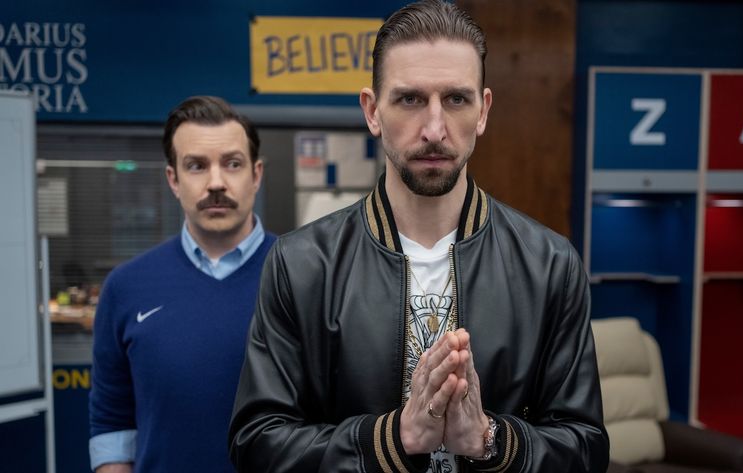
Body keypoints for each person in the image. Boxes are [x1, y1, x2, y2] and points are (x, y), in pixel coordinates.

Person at [228, 1, 609, 471]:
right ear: (372, 111)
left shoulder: (549, 264)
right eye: (410, 99)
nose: (434, 129)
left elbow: (586, 447)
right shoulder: (302, 264)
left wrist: (491, 439)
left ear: (483, 111)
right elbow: (257, 443)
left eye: (456, 99)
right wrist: (393, 438)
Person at [88, 96, 277, 473]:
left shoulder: (307, 275)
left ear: (256, 175)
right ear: (173, 179)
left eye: (232, 163)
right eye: (196, 166)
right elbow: (112, 423)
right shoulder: (126, 287)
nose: (216, 182)